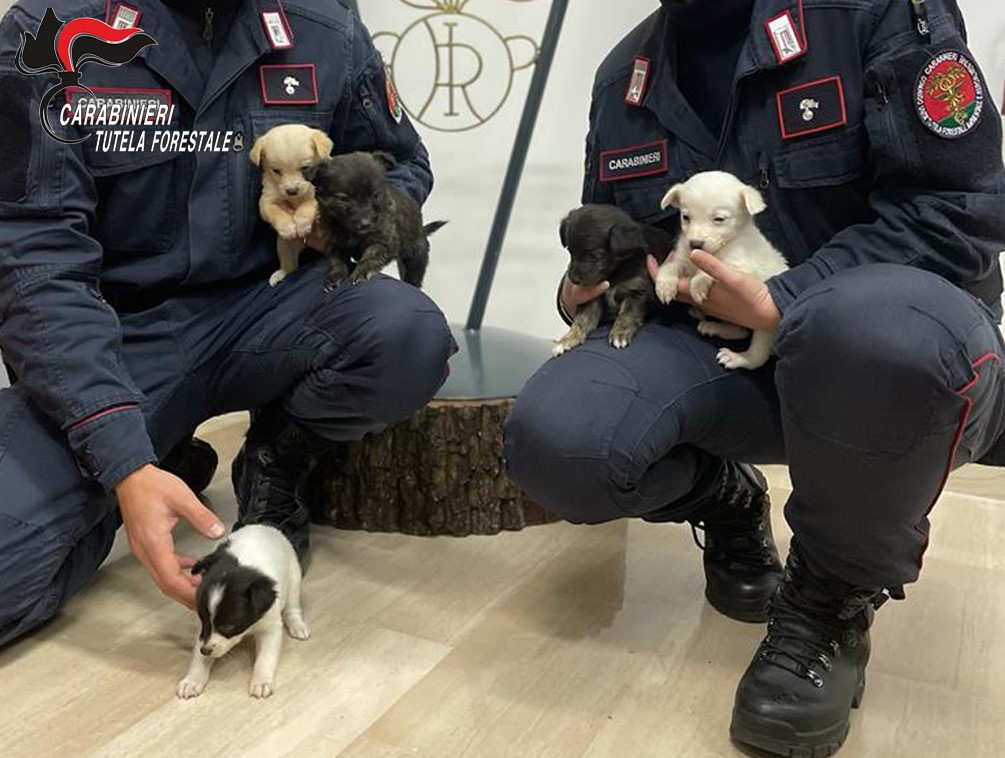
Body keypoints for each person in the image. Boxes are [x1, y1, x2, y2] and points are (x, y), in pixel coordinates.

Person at [504, 0, 1005, 755]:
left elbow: (957, 209)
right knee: (558, 437)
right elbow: (610, 236)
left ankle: (827, 599)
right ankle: (725, 498)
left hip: (887, 361)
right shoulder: (623, 78)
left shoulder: (876, 14)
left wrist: (788, 297)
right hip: (717, 351)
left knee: (873, 333)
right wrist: (575, 290)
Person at [0, 0, 454, 648]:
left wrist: (351, 214)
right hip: (116, 341)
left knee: (404, 331)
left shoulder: (324, 25)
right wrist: (120, 459)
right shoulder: (49, 31)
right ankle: (137, 474)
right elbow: (35, 262)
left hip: (269, 304)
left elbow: (398, 162)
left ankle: (273, 464)